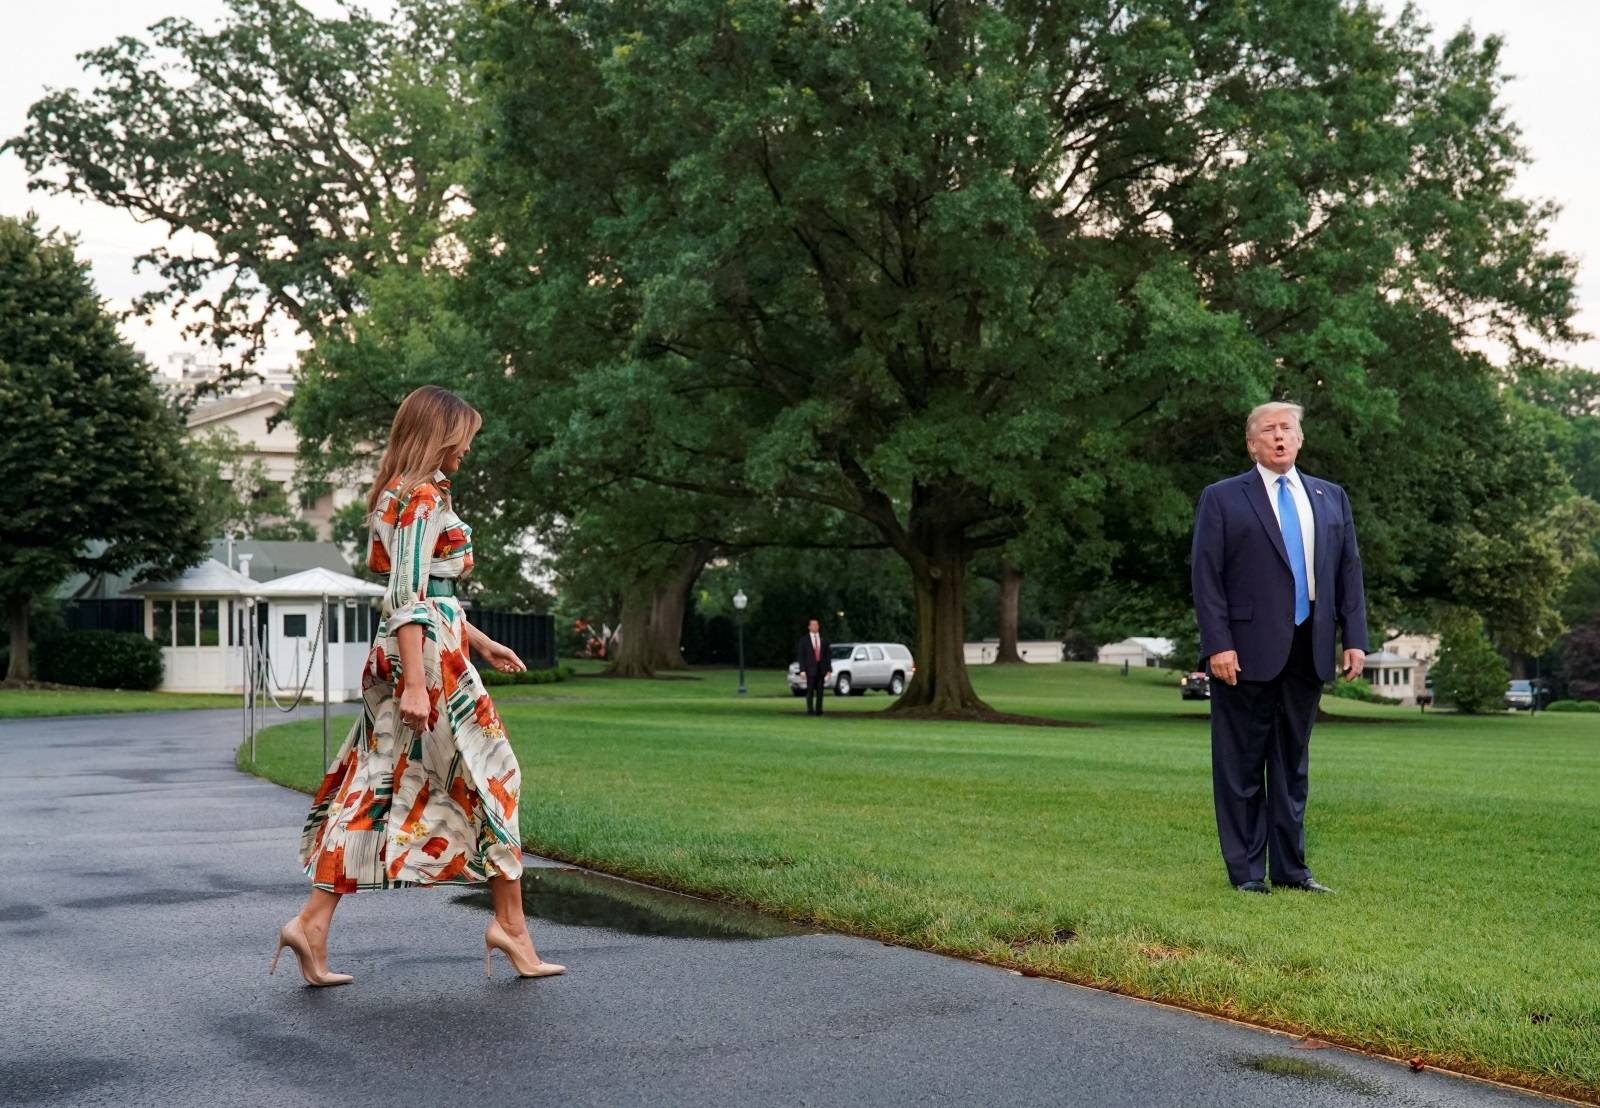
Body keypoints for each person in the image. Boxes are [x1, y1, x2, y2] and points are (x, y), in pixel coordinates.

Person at [273, 385, 564, 985]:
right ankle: (510, 927)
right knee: (494, 776)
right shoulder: (421, 496)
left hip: (434, 643)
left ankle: (312, 924)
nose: (467, 451)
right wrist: (414, 683)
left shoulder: (400, 495)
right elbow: (407, 596)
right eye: (463, 439)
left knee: (382, 785)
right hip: (426, 659)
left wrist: (478, 640)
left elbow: (430, 592)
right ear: (440, 434)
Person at [1190, 401, 1367, 895]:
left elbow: (1348, 571)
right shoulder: (1223, 498)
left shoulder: (1331, 497)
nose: (1279, 436)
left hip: (1309, 647)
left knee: (1292, 765)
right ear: (1252, 444)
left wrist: (1354, 638)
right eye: (1268, 430)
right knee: (1241, 765)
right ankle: (1247, 874)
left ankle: (1291, 871)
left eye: (1287, 428)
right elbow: (1206, 578)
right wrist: (1217, 645)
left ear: (1301, 438)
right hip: (1242, 653)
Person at [794, 618, 833, 716]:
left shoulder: (823, 639)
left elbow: (827, 655)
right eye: (813, 625)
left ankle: (819, 710)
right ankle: (810, 710)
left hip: (821, 669)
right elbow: (801, 656)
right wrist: (802, 670)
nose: (815, 627)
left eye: (817, 625)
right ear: (809, 627)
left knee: (820, 691)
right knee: (810, 690)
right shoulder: (804, 640)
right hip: (810, 669)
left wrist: (829, 669)